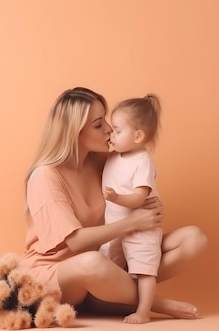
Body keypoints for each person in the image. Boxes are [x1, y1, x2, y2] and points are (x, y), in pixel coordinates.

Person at [18, 87, 207, 322]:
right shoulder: (45, 175)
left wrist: (149, 204)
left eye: (106, 120)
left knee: (193, 239)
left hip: (108, 265)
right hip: (56, 272)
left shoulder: (104, 162)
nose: (109, 129)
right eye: (98, 125)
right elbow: (75, 242)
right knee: (92, 262)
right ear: (74, 133)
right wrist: (132, 223)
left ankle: (108, 297)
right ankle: (151, 304)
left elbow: (138, 181)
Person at [99, 93, 164, 324]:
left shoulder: (142, 161)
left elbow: (139, 198)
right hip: (116, 227)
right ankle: (112, 302)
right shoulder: (115, 156)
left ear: (137, 136)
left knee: (144, 270)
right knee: (109, 265)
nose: (111, 134)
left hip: (141, 228)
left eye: (117, 131)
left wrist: (116, 197)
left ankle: (144, 311)